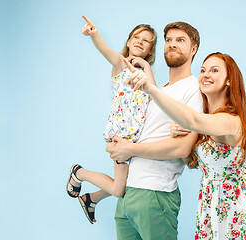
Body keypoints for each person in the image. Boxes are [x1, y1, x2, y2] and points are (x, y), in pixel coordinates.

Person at [125, 52, 246, 239]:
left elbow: (192, 119)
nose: (206, 74)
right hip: (212, 204)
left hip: (237, 206)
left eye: (215, 70)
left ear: (229, 80)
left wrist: (151, 89)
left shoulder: (231, 120)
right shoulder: (208, 121)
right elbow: (190, 161)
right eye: (203, 70)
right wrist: (176, 138)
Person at [106, 22, 204, 240]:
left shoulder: (194, 89)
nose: (172, 44)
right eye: (169, 40)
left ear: (194, 48)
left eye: (180, 40)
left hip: (156, 193)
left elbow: (182, 148)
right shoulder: (156, 90)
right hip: (128, 193)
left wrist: (131, 149)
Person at [65, 16, 157, 224]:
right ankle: (79, 173)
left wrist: (147, 67)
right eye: (136, 37)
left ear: (150, 51)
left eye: (146, 40)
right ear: (128, 42)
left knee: (128, 184)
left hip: (138, 141)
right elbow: (105, 50)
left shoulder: (146, 75)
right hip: (121, 136)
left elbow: (155, 95)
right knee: (119, 189)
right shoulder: (120, 63)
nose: (140, 41)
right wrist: (94, 34)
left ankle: (91, 199)